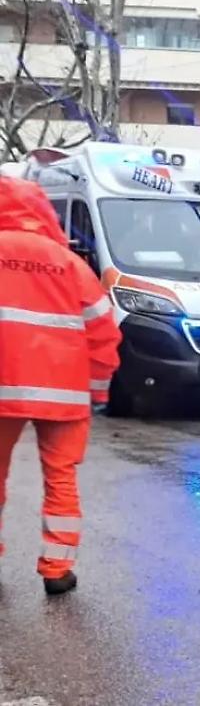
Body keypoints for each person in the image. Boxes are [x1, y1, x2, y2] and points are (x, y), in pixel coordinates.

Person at [0, 177, 121, 595]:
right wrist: (99, 389)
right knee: (61, 478)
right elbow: (103, 331)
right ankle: (56, 568)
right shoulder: (69, 265)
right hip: (64, 393)